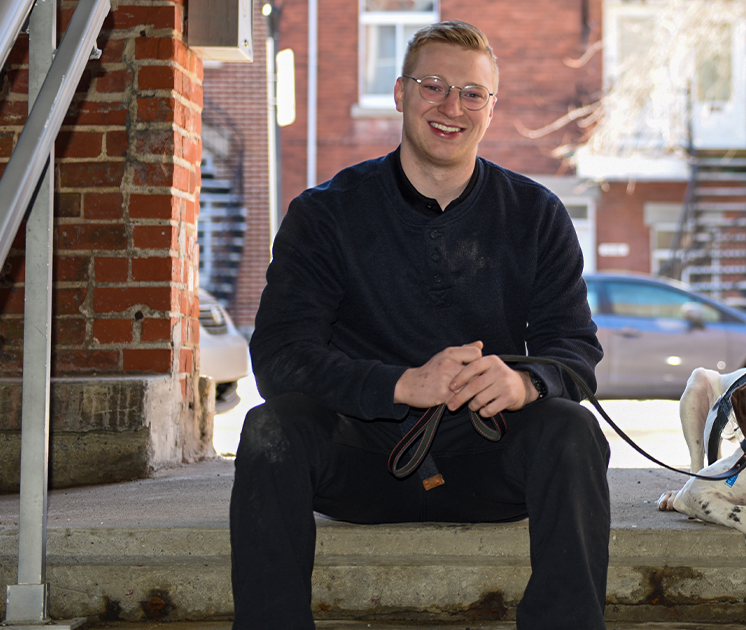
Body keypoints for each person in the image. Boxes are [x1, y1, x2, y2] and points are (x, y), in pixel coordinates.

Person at [229, 20, 610, 630]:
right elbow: (280, 357)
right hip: (360, 458)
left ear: (492, 108)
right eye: (433, 86)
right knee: (270, 429)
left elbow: (574, 348)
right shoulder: (325, 213)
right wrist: (400, 384)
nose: (451, 107)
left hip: (489, 462)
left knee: (573, 431)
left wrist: (527, 384)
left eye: (471, 93)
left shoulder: (537, 214)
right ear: (401, 92)